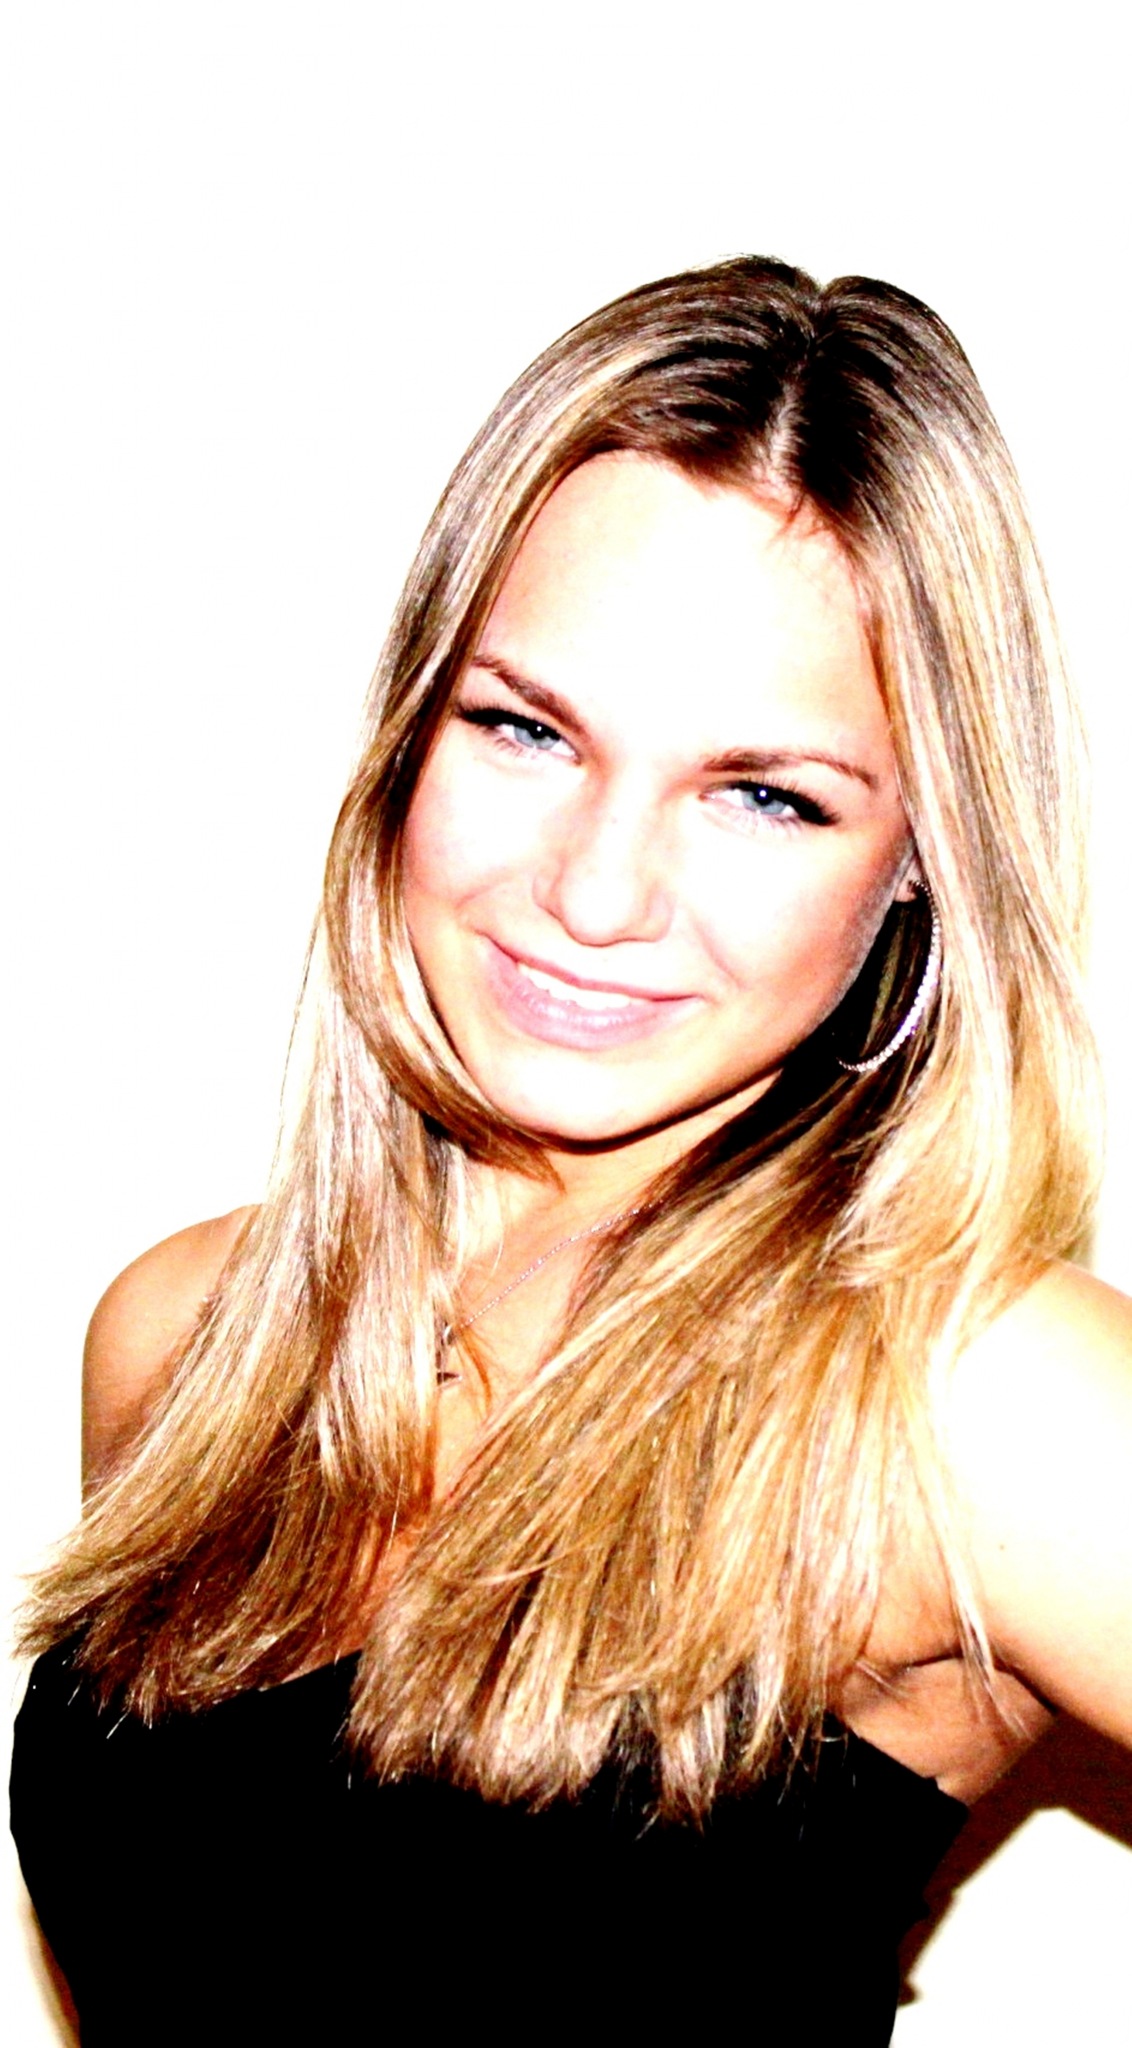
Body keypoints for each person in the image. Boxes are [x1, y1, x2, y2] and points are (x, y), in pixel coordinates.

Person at [10, 257, 1132, 2045]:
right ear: (411, 732)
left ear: (924, 855)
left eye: (764, 795)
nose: (597, 894)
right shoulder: (185, 1336)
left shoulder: (958, 1393)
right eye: (525, 729)